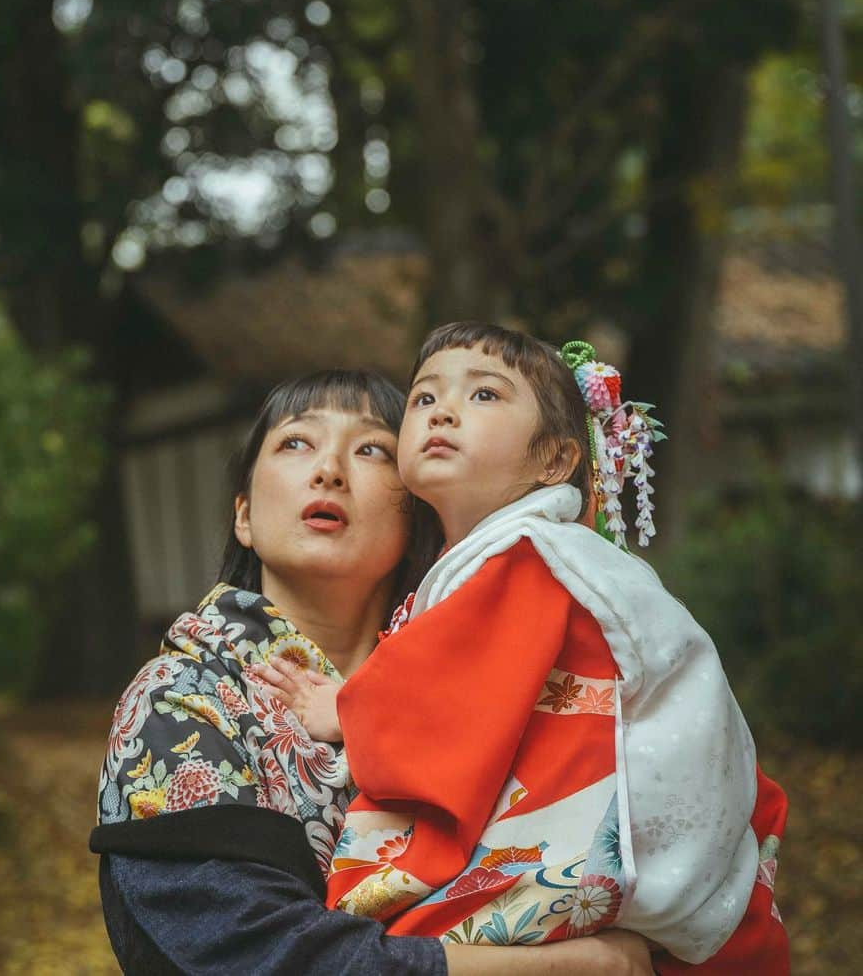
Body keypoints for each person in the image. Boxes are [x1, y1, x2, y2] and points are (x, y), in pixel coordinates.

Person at [91, 368, 657, 975]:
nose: (329, 469)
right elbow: (251, 953)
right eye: (296, 443)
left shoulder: (501, 689)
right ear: (245, 516)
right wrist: (577, 969)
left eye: (371, 450)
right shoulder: (180, 700)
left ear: (417, 515)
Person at [259, 328, 788, 973]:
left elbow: (464, 687)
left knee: (407, 940)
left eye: (484, 395)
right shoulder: (508, 556)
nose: (442, 411)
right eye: (424, 399)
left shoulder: (531, 554)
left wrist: (347, 709)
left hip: (585, 831)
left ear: (555, 460)